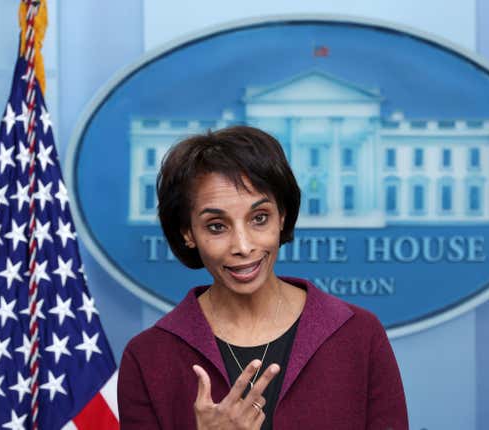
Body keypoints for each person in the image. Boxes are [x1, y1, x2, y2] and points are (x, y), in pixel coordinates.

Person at [118, 126, 408, 429]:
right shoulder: (148, 357)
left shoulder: (359, 335)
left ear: (282, 216)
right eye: (217, 226)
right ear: (188, 233)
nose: (243, 247)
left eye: (259, 218)